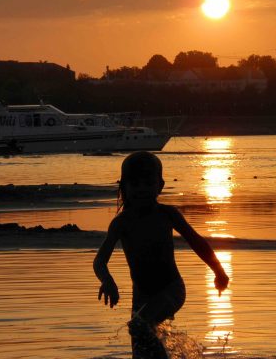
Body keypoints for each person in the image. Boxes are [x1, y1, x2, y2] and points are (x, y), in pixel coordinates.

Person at [94, 151, 229, 359]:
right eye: (135, 184)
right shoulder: (121, 223)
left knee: (139, 326)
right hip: (141, 296)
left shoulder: (167, 214)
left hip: (172, 289)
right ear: (124, 187)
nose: (142, 189)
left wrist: (219, 271)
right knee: (140, 349)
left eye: (148, 183)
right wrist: (107, 280)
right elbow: (100, 261)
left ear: (160, 185)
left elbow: (197, 242)